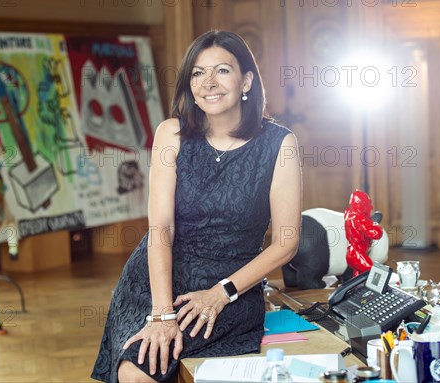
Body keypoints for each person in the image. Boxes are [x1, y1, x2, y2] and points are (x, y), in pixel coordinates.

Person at [91, 30, 302, 383]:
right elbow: (161, 228)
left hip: (230, 289)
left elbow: (286, 243)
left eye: (222, 70)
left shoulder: (280, 144)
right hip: (157, 280)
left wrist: (224, 292)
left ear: (246, 79)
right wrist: (160, 314)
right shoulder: (171, 134)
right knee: (137, 369)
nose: (209, 83)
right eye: (198, 73)